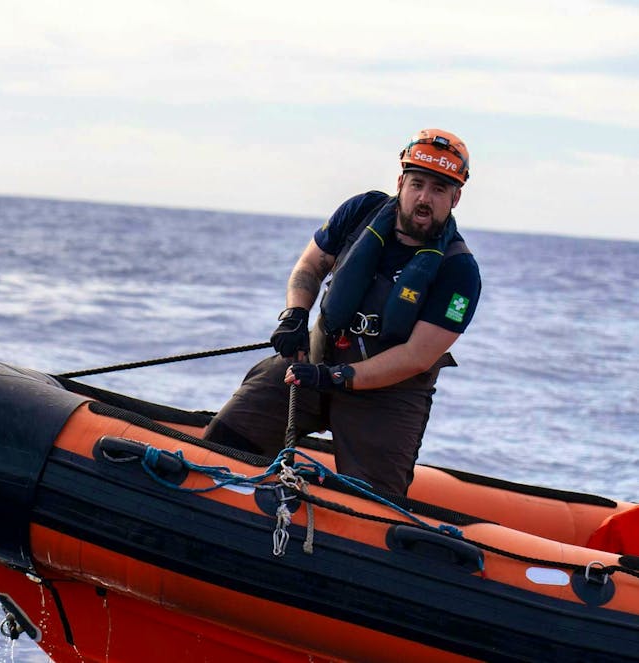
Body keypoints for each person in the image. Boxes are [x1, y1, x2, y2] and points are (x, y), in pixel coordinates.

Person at [204, 128, 482, 496]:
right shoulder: (359, 211)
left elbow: (417, 356)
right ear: (401, 182)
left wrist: (335, 377)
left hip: (386, 397)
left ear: (455, 198)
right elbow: (310, 266)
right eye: (417, 184)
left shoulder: (460, 271)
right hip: (309, 365)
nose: (424, 198)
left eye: (439, 190)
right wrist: (294, 316)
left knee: (372, 506)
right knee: (224, 439)